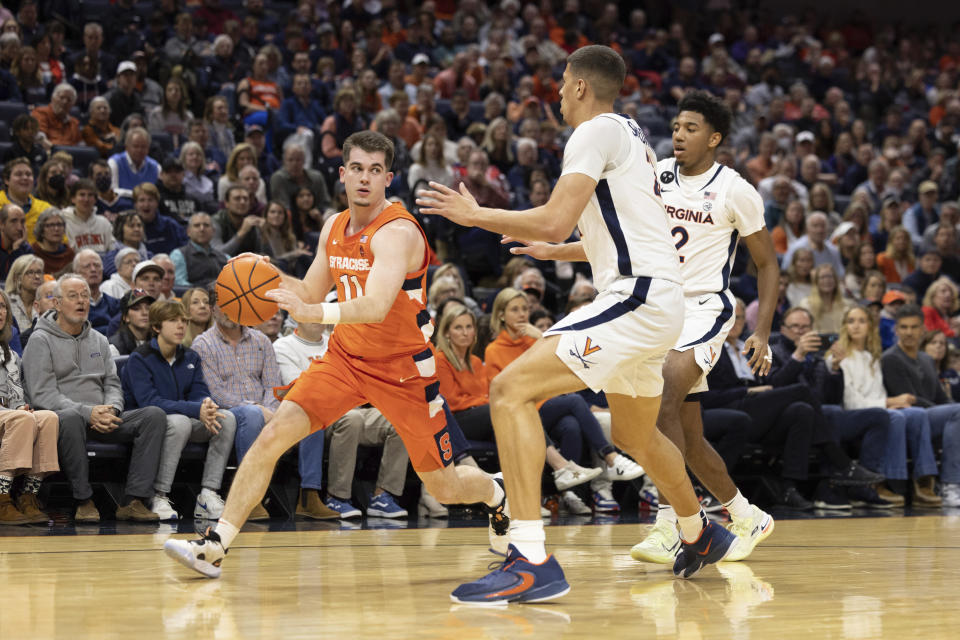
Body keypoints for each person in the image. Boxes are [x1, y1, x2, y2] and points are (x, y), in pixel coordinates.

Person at [418, 46, 737, 600]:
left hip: (637, 298)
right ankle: (697, 529)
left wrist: (475, 215)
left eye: (563, 85)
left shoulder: (592, 134)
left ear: (582, 86)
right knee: (636, 432)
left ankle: (529, 558)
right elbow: (612, 232)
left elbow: (555, 214)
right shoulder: (633, 137)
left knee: (509, 389)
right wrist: (556, 252)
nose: (559, 95)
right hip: (660, 302)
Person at [166, 131, 511, 580]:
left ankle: (495, 494)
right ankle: (215, 546)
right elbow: (308, 289)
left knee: (443, 486)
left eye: (375, 170)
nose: (365, 179)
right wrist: (262, 273)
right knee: (273, 436)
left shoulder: (399, 232)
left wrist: (314, 312)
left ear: (388, 178)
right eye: (357, 169)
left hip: (403, 369)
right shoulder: (334, 225)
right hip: (346, 359)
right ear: (343, 173)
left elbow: (375, 305)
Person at [629, 90, 779, 565]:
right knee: (687, 436)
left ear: (714, 138)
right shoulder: (657, 175)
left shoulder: (735, 190)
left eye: (690, 128)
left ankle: (671, 523)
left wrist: (762, 332)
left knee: (662, 397)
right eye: (675, 127)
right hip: (659, 306)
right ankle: (745, 514)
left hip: (704, 309)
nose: (678, 134)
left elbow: (768, 265)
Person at [23, 274, 166, 521]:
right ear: (57, 304)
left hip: (102, 417)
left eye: (85, 296)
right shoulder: (40, 339)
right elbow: (43, 394)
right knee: (68, 417)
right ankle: (83, 500)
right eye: (73, 296)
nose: (81, 301)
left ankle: (134, 500)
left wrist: (112, 410)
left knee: (154, 416)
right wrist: (87, 412)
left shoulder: (99, 340)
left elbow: (112, 383)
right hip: (66, 422)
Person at [272, 321, 403, 520]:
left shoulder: (338, 342)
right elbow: (300, 388)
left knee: (400, 419)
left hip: (353, 408)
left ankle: (383, 496)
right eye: (311, 312)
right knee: (351, 418)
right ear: (297, 316)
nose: (317, 319)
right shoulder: (283, 346)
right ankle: (337, 497)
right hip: (317, 416)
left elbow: (361, 382)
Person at [122, 299, 236, 520]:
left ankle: (208, 494)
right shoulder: (140, 359)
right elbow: (150, 401)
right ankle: (159, 495)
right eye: (173, 321)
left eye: (183, 321)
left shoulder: (190, 356)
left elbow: (199, 392)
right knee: (179, 422)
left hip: (183, 420)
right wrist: (195, 409)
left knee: (226, 418)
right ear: (156, 327)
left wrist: (206, 404)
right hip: (151, 425)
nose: (181, 326)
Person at [830, 306, 941, 506]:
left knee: (916, 414)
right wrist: (888, 403)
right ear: (844, 326)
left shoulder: (872, 356)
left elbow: (879, 394)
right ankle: (886, 482)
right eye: (851, 321)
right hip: (851, 415)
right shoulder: (839, 357)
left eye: (862, 321)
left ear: (870, 327)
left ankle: (923, 481)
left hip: (876, 410)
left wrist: (890, 403)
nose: (856, 326)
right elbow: (850, 401)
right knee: (896, 416)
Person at [881, 304, 960, 507]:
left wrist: (951, 408)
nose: (909, 332)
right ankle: (950, 484)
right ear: (896, 330)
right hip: (909, 420)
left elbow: (942, 399)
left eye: (914, 327)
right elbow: (911, 401)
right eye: (904, 327)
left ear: (922, 329)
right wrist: (950, 410)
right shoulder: (890, 358)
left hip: (931, 415)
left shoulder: (926, 358)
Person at [0, 288, 59, 524]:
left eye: (3, 306)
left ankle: (28, 495)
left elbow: (17, 394)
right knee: (21, 419)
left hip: (7, 414)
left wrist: (21, 408)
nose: (0, 311)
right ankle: (2, 497)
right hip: (5, 415)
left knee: (48, 418)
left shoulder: (12, 354)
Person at [171, 212, 230, 288]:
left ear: (213, 231)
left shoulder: (225, 257)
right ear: (188, 231)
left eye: (206, 225)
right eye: (197, 225)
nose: (202, 229)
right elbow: (179, 284)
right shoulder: (178, 255)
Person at [0, 158, 51, 244]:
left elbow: (62, 241)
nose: (25, 178)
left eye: (28, 174)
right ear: (6, 180)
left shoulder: (46, 209)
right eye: (18, 174)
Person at [72, 249, 120, 336]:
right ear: (76, 273)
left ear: (102, 270)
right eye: (87, 266)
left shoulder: (115, 303)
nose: (93, 269)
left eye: (97, 265)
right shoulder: (71, 304)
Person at [62, 179, 114, 255]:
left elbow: (112, 250)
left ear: (95, 200)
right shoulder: (64, 222)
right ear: (73, 199)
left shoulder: (104, 223)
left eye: (90, 195)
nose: (86, 199)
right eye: (82, 195)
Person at [107, 127, 160, 196]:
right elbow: (112, 191)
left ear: (148, 148)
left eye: (143, 147)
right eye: (136, 146)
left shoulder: (156, 167)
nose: (139, 150)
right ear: (127, 147)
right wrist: (137, 195)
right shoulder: (114, 163)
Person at [109, 289, 154, 356]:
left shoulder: (159, 341)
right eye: (136, 308)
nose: (145, 313)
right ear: (126, 317)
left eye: (148, 308)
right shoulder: (114, 348)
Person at [5, 254, 43, 331]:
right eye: (30, 272)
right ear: (17, 277)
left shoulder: (46, 301)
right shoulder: (6, 302)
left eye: (39, 272)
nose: (37, 277)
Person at [30, 208, 73, 275]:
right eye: (51, 225)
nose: (56, 229)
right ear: (41, 230)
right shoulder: (33, 253)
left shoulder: (70, 254)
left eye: (59, 225)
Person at [0, 204, 33, 282]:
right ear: (1, 224)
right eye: (13, 221)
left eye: (22, 222)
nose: (19, 227)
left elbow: (22, 280)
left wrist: (17, 250)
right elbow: (4, 278)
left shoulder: (25, 249)